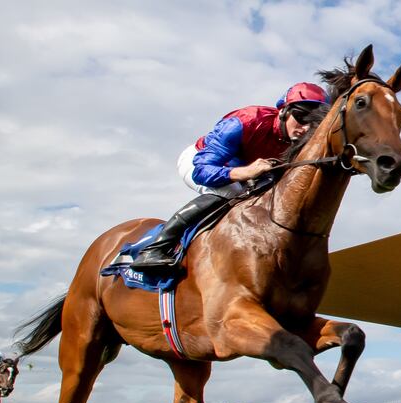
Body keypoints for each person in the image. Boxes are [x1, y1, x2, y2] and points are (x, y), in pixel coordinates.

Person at [131, 82, 330, 272]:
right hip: (200, 162)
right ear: (284, 111)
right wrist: (244, 172)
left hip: (246, 175)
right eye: (302, 118)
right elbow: (202, 171)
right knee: (231, 191)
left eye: (314, 124)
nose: (305, 129)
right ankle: (155, 248)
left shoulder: (302, 142)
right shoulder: (245, 121)